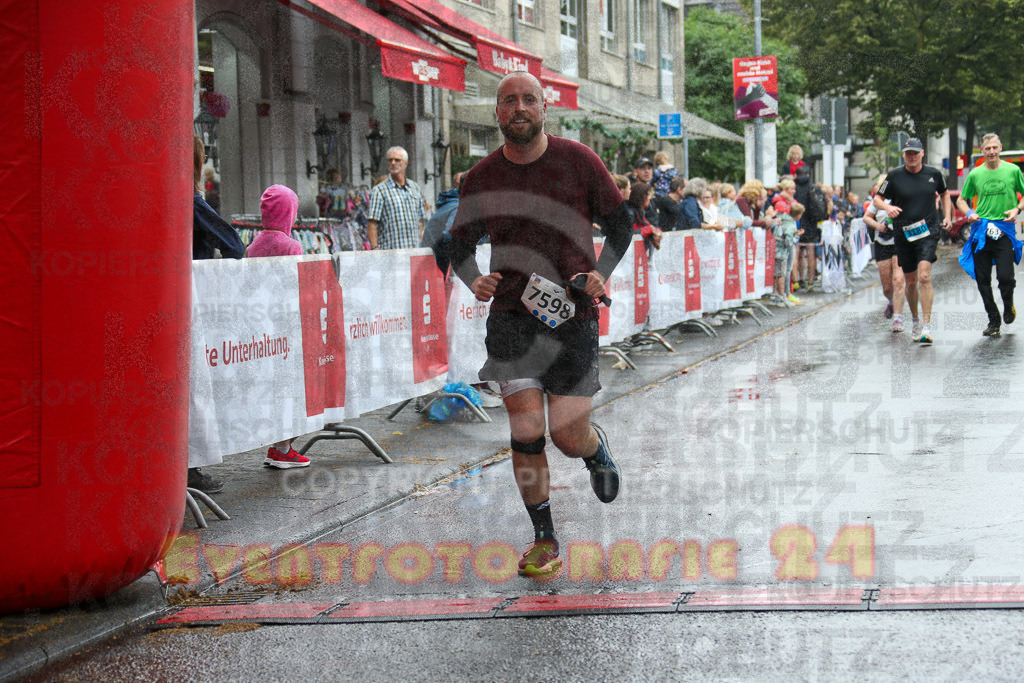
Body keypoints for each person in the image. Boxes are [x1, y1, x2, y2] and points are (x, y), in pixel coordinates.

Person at [448, 71, 632, 579]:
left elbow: (621, 225)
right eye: (509, 101)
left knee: (567, 434)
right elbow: (458, 245)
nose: (519, 107)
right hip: (511, 316)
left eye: (529, 99)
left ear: (545, 107)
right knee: (527, 428)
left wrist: (600, 273)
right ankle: (544, 538)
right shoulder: (482, 177)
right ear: (498, 113)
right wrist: (473, 280)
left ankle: (594, 451)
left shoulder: (578, 161)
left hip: (571, 314)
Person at [189, 135, 245, 494]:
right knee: (192, 386)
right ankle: (190, 469)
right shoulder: (191, 199)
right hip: (191, 302)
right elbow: (235, 245)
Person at [246, 185, 313, 469]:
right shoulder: (291, 246)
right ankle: (283, 447)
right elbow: (298, 286)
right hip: (287, 326)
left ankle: (276, 444)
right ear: (289, 212)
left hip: (262, 327)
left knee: (272, 387)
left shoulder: (252, 246)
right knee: (290, 387)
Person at [874, 137, 951, 344]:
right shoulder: (895, 175)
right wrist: (887, 208)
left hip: (928, 231)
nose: (912, 157)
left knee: (924, 276)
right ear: (904, 155)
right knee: (910, 281)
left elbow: (944, 194)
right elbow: (877, 199)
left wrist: (947, 217)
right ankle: (916, 320)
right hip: (903, 232)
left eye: (916, 153)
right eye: (909, 153)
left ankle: (926, 326)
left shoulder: (934, 174)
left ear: (922, 153)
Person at [956, 133, 1024, 337]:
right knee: (982, 280)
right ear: (982, 150)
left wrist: (1017, 210)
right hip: (981, 231)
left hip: (1004, 230)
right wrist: (969, 213)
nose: (992, 151)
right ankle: (993, 321)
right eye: (987, 149)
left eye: (995, 147)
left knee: (1005, 277)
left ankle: (1008, 305)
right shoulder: (976, 175)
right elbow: (961, 200)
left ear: (1000, 148)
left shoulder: (1012, 171)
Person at [367, 146, 425, 250]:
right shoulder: (379, 190)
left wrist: (421, 242)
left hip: (413, 252)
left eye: (397, 160)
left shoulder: (415, 188)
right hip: (391, 253)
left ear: (405, 163)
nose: (393, 163)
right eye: (390, 160)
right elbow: (372, 223)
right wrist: (375, 249)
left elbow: (420, 220)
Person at [863, 195, 906, 329]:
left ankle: (898, 319)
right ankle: (891, 301)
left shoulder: (903, 198)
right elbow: (866, 217)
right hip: (882, 242)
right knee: (887, 286)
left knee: (898, 280)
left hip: (900, 242)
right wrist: (878, 226)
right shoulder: (879, 201)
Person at [421, 171, 466, 275]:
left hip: (433, 263)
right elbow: (452, 237)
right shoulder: (457, 206)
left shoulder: (453, 203)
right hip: (436, 266)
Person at [776, 201, 804, 303]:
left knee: (779, 273)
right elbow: (789, 242)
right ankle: (787, 294)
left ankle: (779, 294)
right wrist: (797, 236)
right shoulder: (791, 225)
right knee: (786, 271)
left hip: (778, 249)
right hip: (785, 251)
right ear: (799, 215)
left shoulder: (783, 220)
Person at [628, 181, 662, 252]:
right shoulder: (630, 213)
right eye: (647, 195)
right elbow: (627, 233)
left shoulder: (640, 212)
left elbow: (648, 226)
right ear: (640, 196)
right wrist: (647, 230)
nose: (649, 198)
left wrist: (655, 233)